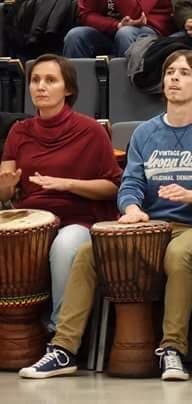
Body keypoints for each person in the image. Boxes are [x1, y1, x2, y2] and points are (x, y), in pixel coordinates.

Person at [18, 49, 192, 381]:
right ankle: (64, 348)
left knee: (178, 256)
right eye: (169, 72)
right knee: (87, 253)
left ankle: (172, 349)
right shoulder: (145, 133)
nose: (174, 78)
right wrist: (133, 208)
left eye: (184, 73)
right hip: (148, 225)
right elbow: (130, 184)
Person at [0, 54, 122, 333]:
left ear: (68, 89)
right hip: (31, 220)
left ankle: (60, 334)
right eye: (35, 80)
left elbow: (113, 186)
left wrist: (67, 184)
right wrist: (5, 185)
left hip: (78, 220)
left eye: (50, 80)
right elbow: (5, 188)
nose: (40, 86)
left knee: (65, 245)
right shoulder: (19, 131)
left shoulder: (90, 130)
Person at [64, 0, 175, 58]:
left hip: (149, 31)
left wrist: (121, 27)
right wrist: (116, 25)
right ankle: (78, 92)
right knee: (75, 36)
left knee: (125, 33)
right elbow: (86, 15)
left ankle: (126, 91)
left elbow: (135, 15)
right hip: (110, 31)